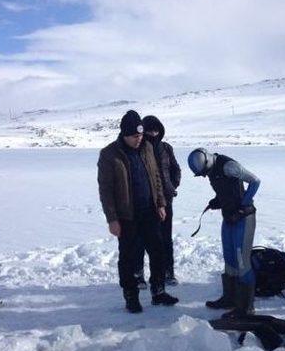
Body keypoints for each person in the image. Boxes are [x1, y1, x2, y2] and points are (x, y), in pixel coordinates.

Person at [97, 110, 179, 313]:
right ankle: (131, 296)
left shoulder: (148, 148)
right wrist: (112, 219)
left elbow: (157, 178)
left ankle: (158, 292)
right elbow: (105, 190)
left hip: (150, 212)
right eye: (135, 136)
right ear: (124, 134)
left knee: (158, 252)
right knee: (129, 258)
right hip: (127, 217)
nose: (139, 139)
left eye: (141, 135)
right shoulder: (109, 154)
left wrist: (160, 203)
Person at [188, 148, 260, 317]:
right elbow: (228, 188)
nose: (206, 176)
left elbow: (255, 181)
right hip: (229, 217)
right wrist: (219, 200)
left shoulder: (229, 166)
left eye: (205, 172)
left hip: (244, 218)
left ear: (207, 161)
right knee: (229, 258)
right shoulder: (212, 168)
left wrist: (243, 207)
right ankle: (230, 298)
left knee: (242, 262)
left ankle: (246, 307)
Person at [133, 115, 181, 288]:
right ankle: (138, 275)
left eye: (156, 130)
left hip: (166, 200)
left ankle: (168, 272)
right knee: (140, 239)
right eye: (149, 130)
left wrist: (171, 185)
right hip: (145, 202)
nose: (153, 133)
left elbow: (175, 169)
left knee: (165, 238)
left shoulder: (166, 148)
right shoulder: (139, 149)